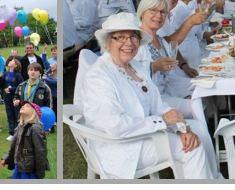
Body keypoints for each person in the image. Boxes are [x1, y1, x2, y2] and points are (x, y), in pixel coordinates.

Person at [77, 13, 219, 179]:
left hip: (143, 132)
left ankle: (214, 179)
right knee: (192, 149)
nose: (128, 43)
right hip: (120, 146)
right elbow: (115, 125)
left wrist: (180, 127)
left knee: (199, 129)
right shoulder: (99, 76)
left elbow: (157, 105)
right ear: (108, 42)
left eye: (133, 37)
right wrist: (163, 121)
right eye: (120, 37)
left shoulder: (136, 66)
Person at [2, 100, 48, 179]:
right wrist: (6, 158)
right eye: (23, 106)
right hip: (19, 165)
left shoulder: (35, 128)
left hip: (29, 168)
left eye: (27, 106)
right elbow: (15, 147)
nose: (23, 106)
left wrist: (40, 172)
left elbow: (40, 151)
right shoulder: (20, 127)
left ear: (34, 113)